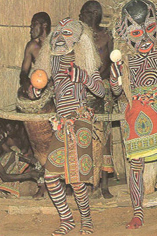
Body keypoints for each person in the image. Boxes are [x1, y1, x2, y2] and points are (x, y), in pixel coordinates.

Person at [110, 0, 157, 229]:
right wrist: (114, 74)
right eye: (137, 32)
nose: (146, 38)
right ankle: (138, 212)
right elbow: (116, 89)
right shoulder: (125, 59)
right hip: (136, 111)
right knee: (136, 165)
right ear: (125, 33)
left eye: (150, 29)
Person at [30, 17, 104, 235]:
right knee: (51, 178)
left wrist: (84, 78)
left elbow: (100, 91)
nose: (61, 38)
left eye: (67, 34)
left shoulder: (85, 60)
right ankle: (67, 219)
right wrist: (36, 90)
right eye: (58, 34)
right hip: (61, 123)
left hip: (80, 121)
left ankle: (87, 220)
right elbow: (41, 85)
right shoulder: (52, 62)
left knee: (77, 180)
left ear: (79, 40)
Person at [17, 11, 55, 199]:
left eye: (33, 25)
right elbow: (24, 72)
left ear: (43, 26)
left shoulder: (57, 44)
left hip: (56, 93)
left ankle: (67, 183)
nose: (31, 29)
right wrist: (26, 86)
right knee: (38, 144)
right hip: (39, 93)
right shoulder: (32, 46)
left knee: (58, 142)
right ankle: (44, 185)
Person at [79, 0, 115, 199]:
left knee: (105, 135)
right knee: (84, 134)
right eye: (85, 12)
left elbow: (113, 62)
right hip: (83, 90)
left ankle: (104, 184)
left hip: (104, 88)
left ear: (97, 14)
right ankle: (87, 182)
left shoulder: (107, 36)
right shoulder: (79, 36)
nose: (83, 15)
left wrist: (102, 79)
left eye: (93, 12)